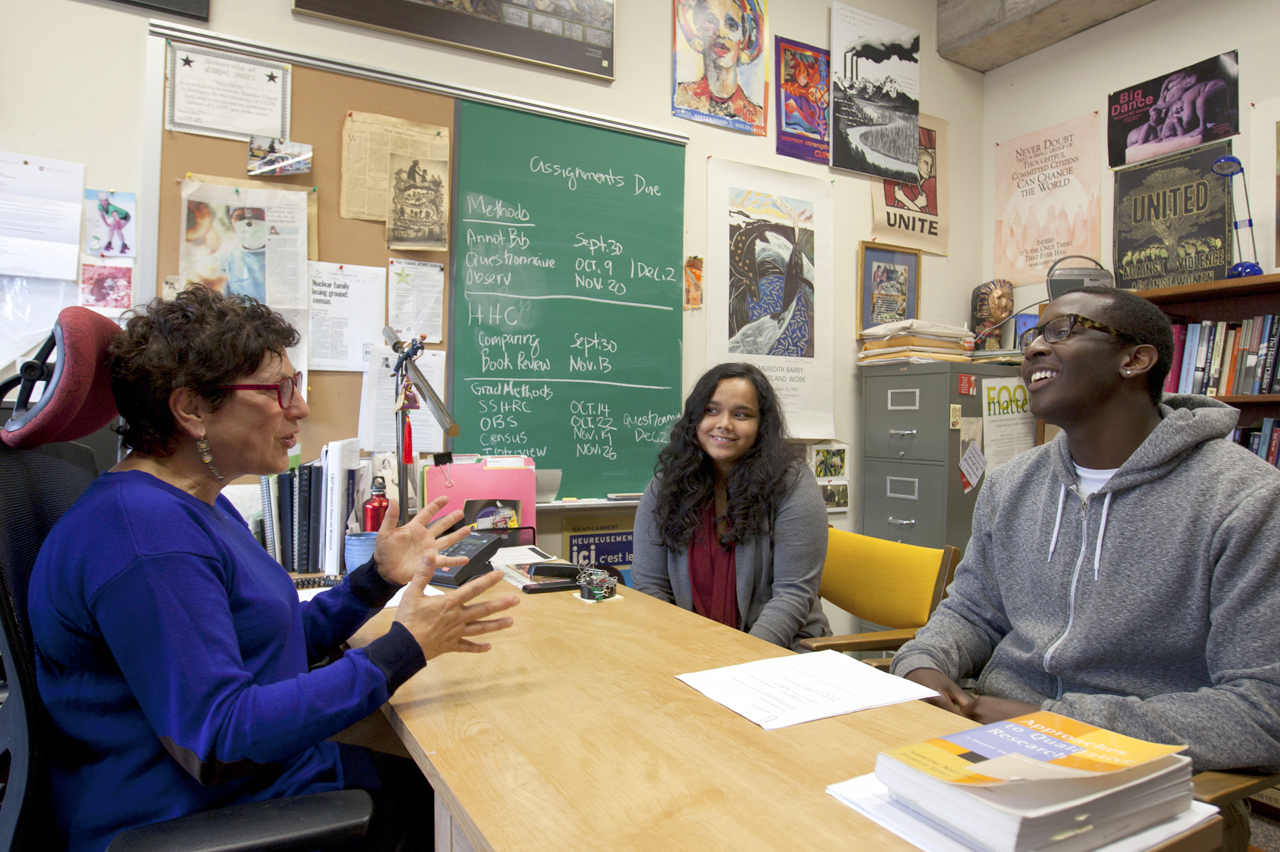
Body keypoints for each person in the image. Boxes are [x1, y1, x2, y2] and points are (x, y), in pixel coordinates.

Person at [30, 287, 520, 852]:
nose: (302, 407)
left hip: (271, 781)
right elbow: (220, 739)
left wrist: (374, 580)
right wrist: (406, 646)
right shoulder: (146, 538)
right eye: (279, 388)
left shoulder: (194, 502)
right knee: (478, 808)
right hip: (205, 817)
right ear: (192, 409)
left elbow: (269, 644)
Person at [890, 286, 1280, 851]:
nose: (1032, 351)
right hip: (987, 748)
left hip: (1145, 784)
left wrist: (1054, 722)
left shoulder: (1244, 500)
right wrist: (923, 664)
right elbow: (973, 609)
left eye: (1060, 331)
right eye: (1031, 337)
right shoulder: (1011, 483)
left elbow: (1263, 711)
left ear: (1135, 359)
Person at [632, 363, 830, 650]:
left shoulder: (793, 484)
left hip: (781, 648)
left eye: (741, 414)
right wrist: (677, 650)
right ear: (694, 419)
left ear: (762, 424)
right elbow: (651, 587)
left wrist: (737, 662)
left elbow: (793, 596)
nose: (724, 423)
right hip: (686, 647)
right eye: (711, 410)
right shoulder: (666, 485)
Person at [673, 0, 765, 127]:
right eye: (711, 21)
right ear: (698, 29)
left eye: (732, 25)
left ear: (743, 38)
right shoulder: (681, 97)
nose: (721, 33)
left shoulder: (756, 116)